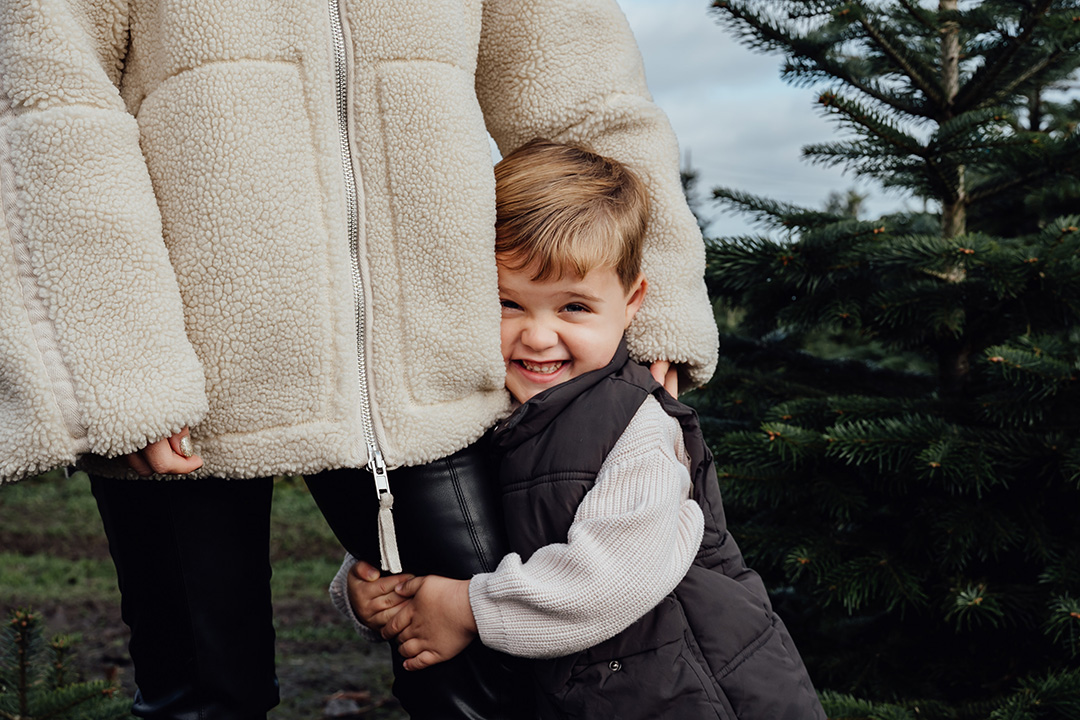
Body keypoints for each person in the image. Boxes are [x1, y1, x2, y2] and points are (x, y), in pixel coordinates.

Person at [0, 3, 717, 719]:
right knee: (202, 696)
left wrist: (652, 300)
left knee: (494, 680)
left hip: (425, 352)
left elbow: (584, 91)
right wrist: (115, 356)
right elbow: (46, 94)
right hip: (170, 352)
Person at [338, 140, 826, 719]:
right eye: (508, 303)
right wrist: (369, 589)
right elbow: (444, 518)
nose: (539, 336)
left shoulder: (634, 426)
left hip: (690, 696)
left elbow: (610, 579)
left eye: (573, 307)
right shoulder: (481, 411)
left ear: (632, 301)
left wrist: (467, 608)